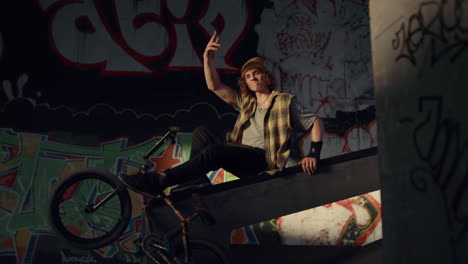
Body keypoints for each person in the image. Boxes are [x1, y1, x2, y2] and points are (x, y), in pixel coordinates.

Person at [119, 31, 324, 197]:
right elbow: (214, 85)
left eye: (256, 73)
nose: (252, 77)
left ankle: (161, 180)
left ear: (266, 77)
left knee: (216, 152)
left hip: (263, 160)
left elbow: (315, 121)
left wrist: (313, 154)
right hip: (241, 155)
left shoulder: (284, 100)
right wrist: (207, 58)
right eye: (248, 76)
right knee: (201, 133)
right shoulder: (247, 103)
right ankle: (196, 181)